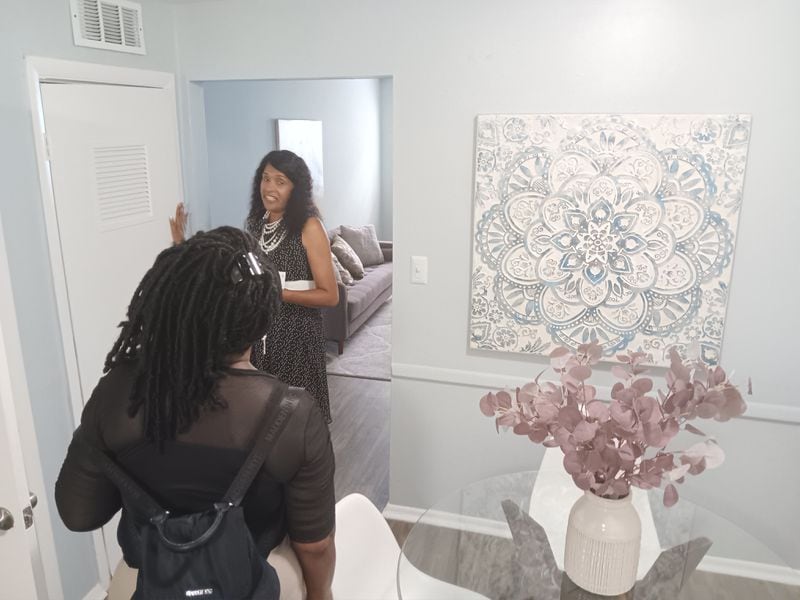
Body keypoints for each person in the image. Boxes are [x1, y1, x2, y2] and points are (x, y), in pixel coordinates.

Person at [55, 227, 336, 600]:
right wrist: (322, 595)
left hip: (148, 580)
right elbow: (314, 546)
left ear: (173, 304)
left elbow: (78, 515)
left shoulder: (118, 392)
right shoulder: (293, 415)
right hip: (255, 578)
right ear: (264, 320)